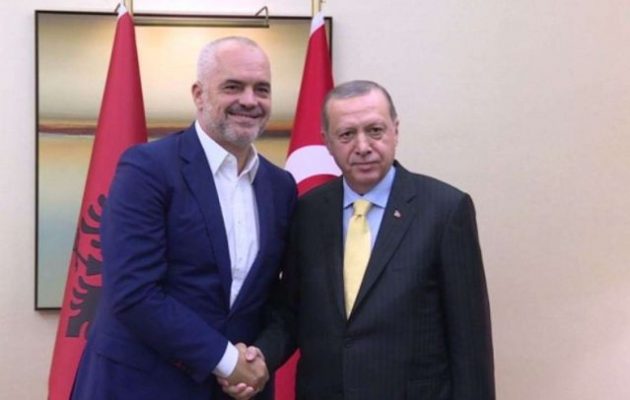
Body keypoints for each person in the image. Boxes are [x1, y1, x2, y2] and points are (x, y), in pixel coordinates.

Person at [225, 80, 495, 399]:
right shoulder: (307, 212)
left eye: (375, 131)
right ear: (327, 142)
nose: (363, 146)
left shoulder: (445, 210)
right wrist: (260, 357)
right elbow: (290, 311)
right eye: (347, 135)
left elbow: (469, 342)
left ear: (395, 131)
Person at [71, 36, 296, 400]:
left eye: (262, 89)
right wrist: (228, 362)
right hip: (142, 386)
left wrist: (261, 358)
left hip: (239, 391)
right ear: (199, 94)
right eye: (233, 87)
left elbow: (281, 297)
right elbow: (133, 291)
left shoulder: (280, 186)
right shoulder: (147, 169)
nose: (249, 100)